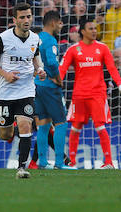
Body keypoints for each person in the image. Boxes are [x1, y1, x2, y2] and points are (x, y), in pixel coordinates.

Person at [0, 3, 44, 179]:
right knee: (7, 134)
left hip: (26, 90)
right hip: (6, 92)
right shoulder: (3, 39)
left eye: (29, 16)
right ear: (14, 20)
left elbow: (35, 57)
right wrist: (5, 74)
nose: (26, 20)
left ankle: (21, 168)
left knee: (26, 126)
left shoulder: (35, 38)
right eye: (22, 17)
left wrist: (40, 69)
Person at [58, 19, 121, 169]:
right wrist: (55, 86)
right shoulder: (73, 49)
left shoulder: (102, 48)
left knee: (100, 126)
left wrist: (120, 85)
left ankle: (108, 162)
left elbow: (112, 69)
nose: (94, 31)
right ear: (82, 31)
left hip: (98, 94)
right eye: (91, 28)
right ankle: (72, 162)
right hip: (79, 94)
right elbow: (61, 70)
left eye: (95, 28)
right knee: (75, 127)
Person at [31, 10, 75, 170]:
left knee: (42, 124)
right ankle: (59, 162)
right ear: (52, 23)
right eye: (60, 22)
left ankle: (42, 162)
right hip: (49, 85)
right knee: (61, 123)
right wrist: (58, 78)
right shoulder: (50, 40)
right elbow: (52, 62)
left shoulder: (36, 38)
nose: (60, 26)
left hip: (37, 84)